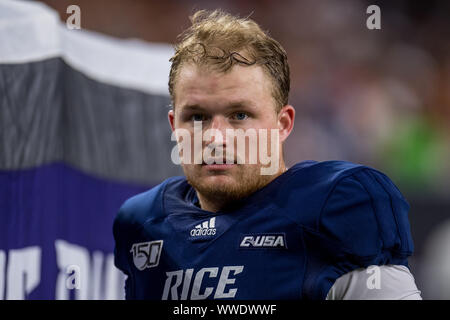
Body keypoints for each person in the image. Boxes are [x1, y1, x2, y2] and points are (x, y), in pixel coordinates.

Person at [113, 9, 422, 300]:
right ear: (173, 126)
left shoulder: (333, 210)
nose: (215, 137)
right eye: (196, 117)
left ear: (282, 124)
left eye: (239, 115)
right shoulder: (142, 224)